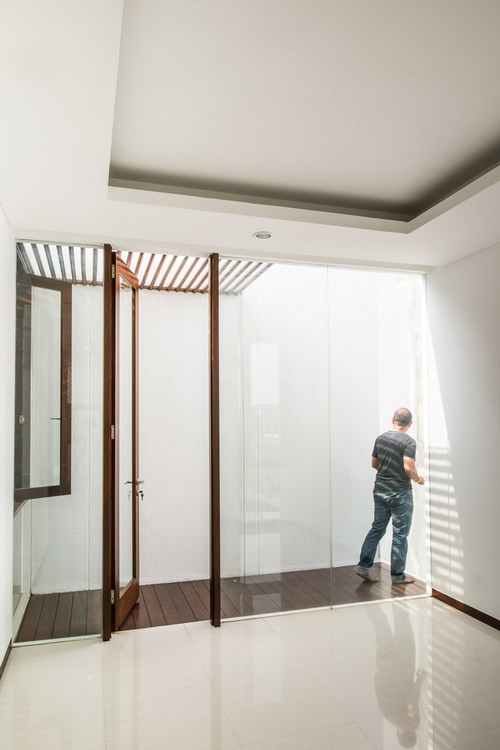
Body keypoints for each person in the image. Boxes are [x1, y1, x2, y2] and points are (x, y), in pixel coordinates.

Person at [355, 407, 424, 584]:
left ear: (392, 420)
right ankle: (398, 576)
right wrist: (418, 479)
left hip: (380, 490)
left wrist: (387, 472)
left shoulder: (381, 438)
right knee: (400, 534)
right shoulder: (408, 441)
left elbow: (374, 463)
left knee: (377, 528)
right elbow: (408, 467)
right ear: (410, 424)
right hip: (400, 492)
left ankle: (363, 567)